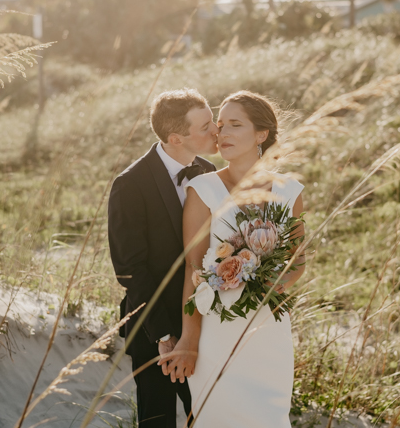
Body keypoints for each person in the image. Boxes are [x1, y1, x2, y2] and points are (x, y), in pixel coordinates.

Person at [162, 91, 306, 427]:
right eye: (221, 124)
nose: (222, 132)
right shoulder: (203, 190)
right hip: (217, 331)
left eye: (235, 125)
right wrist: (189, 339)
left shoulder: (289, 191)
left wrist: (269, 284)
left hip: (269, 331)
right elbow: (194, 269)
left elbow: (297, 262)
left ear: (261, 134)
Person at [108, 88, 219, 428]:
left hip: (203, 325)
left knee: (207, 417)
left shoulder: (209, 170)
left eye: (212, 120)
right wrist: (163, 336)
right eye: (205, 127)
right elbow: (130, 271)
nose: (216, 130)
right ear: (176, 138)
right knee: (157, 422)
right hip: (154, 332)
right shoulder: (130, 185)